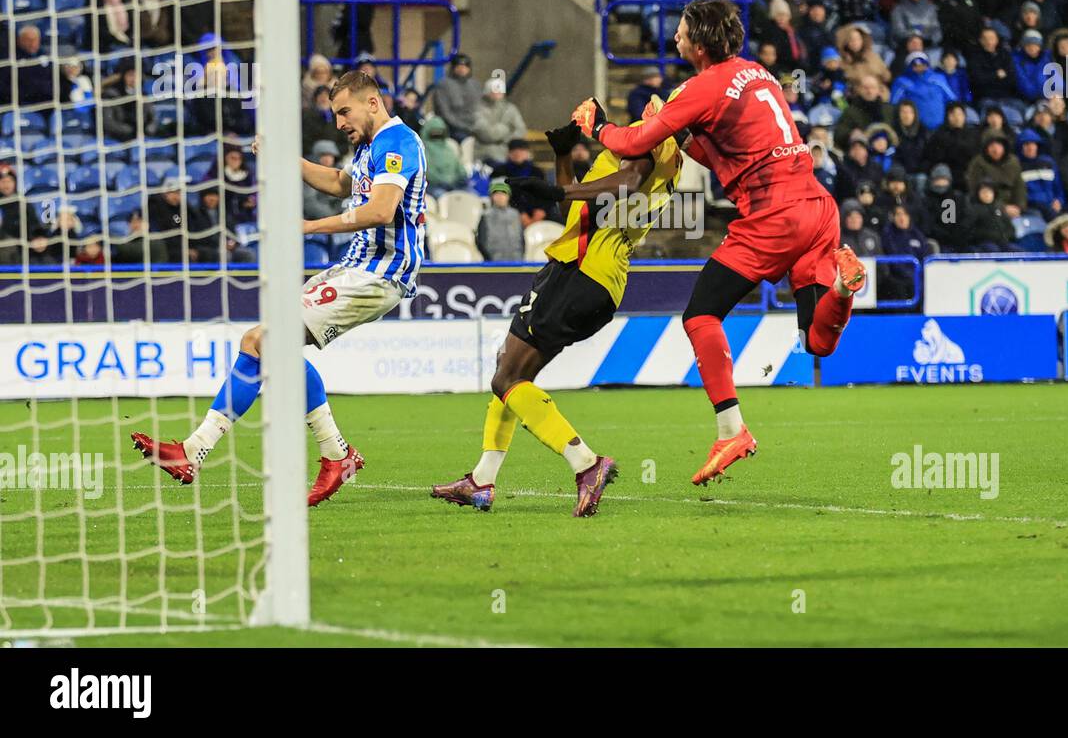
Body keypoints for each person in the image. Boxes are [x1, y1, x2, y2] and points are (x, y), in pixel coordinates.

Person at [571, 0, 867, 486]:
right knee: (817, 342)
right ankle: (841, 291)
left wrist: (598, 125)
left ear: (701, 42)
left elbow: (633, 143)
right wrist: (686, 137)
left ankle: (731, 430)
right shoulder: (758, 74)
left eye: (682, 32)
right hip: (817, 208)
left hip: (774, 216)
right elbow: (734, 157)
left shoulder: (700, 86)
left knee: (700, 314)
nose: (675, 40)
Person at [131, 71, 427, 506]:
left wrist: (307, 226)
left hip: (379, 273)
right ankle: (335, 455)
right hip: (354, 267)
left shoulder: (398, 142)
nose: (340, 123)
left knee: (265, 341)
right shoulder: (370, 146)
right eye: (335, 114)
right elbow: (342, 185)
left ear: (373, 103)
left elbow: (381, 211)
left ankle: (195, 452)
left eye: (344, 111)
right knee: (262, 343)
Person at [433, 99, 683, 516]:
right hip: (597, 277)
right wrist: (564, 157)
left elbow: (625, 181)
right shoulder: (669, 157)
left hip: (580, 270)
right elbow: (573, 211)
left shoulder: (654, 139)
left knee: (507, 376)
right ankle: (482, 480)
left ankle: (586, 464)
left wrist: (557, 188)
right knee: (512, 374)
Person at [476, 178, 524, 260]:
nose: (500, 196)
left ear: (508, 195)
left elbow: (522, 239)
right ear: (491, 196)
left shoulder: (515, 214)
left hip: (516, 261)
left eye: (503, 193)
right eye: (496, 193)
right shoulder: (486, 216)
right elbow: (481, 242)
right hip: (494, 264)